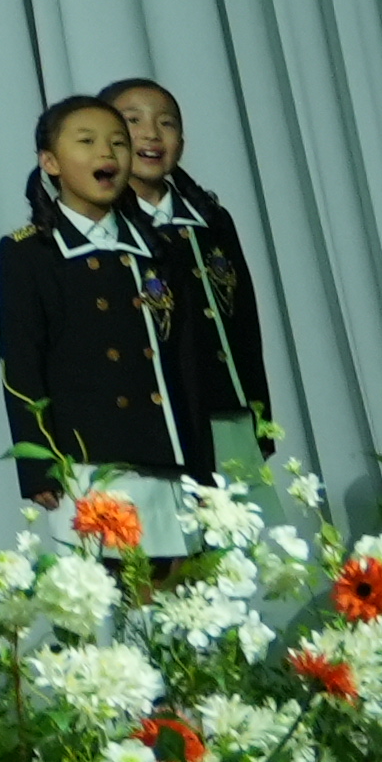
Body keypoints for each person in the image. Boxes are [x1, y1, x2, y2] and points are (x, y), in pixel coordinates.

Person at [0, 96, 214, 554]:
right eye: (87, 141)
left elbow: (188, 362)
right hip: (88, 463)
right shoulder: (29, 252)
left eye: (118, 142)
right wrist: (39, 467)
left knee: (176, 593)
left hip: (166, 456)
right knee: (107, 604)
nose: (107, 153)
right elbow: (21, 364)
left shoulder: (157, 249)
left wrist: (202, 464)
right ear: (50, 162)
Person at [105, 77, 277, 470]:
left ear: (181, 142)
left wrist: (260, 416)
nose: (151, 133)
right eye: (133, 120)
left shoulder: (210, 220)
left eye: (166, 123)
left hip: (223, 416)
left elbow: (243, 327)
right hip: (149, 424)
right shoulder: (102, 229)